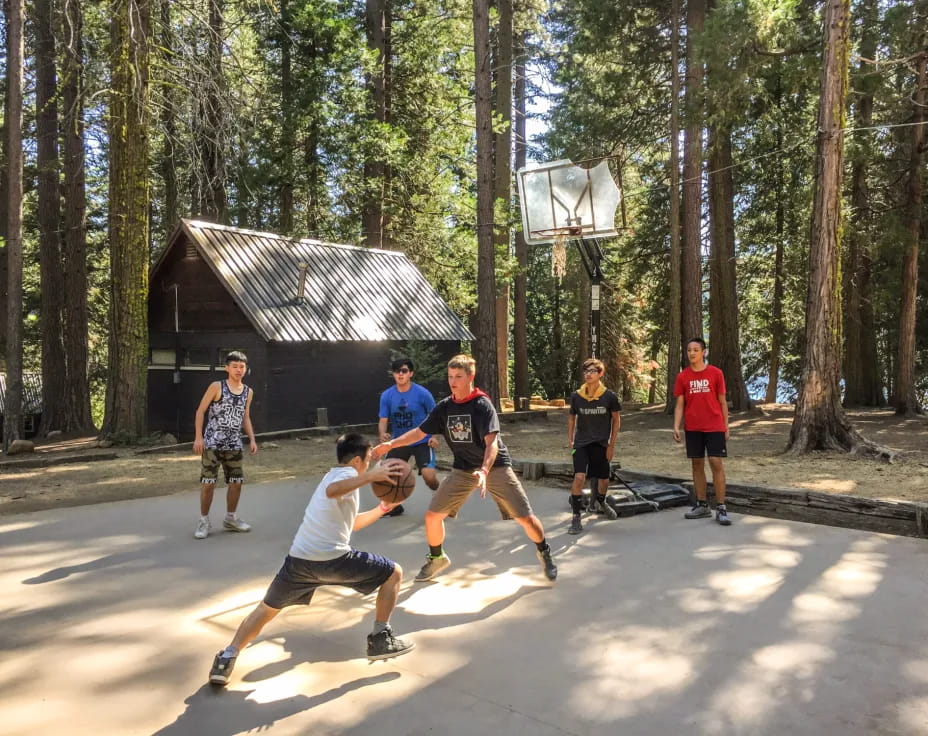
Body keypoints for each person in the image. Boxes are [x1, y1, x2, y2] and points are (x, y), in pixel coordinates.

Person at [208, 434, 413, 686]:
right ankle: (381, 637)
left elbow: (353, 524)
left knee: (266, 609)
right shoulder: (343, 477)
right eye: (369, 459)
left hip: (299, 561)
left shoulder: (336, 476)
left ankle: (227, 656)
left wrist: (384, 508)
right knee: (394, 573)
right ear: (358, 460)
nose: (371, 464)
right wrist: (371, 477)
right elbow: (332, 491)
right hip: (333, 560)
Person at [372, 354, 558, 582]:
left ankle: (544, 551)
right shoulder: (445, 407)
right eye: (450, 376)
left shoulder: (482, 405)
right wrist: (390, 443)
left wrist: (484, 471)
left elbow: (492, 444)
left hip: (495, 467)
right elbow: (420, 432)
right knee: (432, 516)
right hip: (463, 469)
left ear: (470, 376)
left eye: (458, 376)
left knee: (525, 518)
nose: (453, 381)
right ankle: (437, 558)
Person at [193, 351, 258, 540]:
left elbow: (245, 416)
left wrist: (252, 439)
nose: (239, 370)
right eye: (235, 366)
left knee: (236, 482)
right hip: (212, 443)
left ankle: (231, 518)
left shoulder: (248, 391)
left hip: (234, 443)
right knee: (208, 483)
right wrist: (199, 437)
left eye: (242, 367)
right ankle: (204, 520)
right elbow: (200, 411)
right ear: (227, 368)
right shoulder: (217, 386)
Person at [673, 338, 732, 526]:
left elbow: (722, 401)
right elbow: (680, 404)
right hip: (693, 427)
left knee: (715, 462)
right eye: (689, 350)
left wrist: (726, 426)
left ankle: (721, 507)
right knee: (697, 463)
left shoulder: (716, 373)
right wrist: (676, 425)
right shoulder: (683, 376)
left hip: (714, 426)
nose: (692, 353)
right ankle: (702, 504)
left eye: (696, 350)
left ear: (703, 352)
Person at [378, 357, 441, 517]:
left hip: (422, 440)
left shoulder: (422, 394)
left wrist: (434, 436)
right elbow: (383, 420)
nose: (400, 374)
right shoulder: (387, 395)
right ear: (393, 374)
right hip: (399, 441)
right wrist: (383, 434)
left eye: (404, 371)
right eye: (397, 371)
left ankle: (442, 498)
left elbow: (436, 416)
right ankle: (394, 505)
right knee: (387, 473)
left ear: (411, 373)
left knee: (428, 475)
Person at [566, 358, 621, 534]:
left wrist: (611, 445)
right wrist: (571, 439)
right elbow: (572, 417)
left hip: (601, 443)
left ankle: (601, 501)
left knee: (604, 479)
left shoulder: (609, 396)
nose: (588, 374)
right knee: (580, 477)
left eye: (592, 371)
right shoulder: (577, 396)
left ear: (600, 374)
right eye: (586, 371)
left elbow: (616, 420)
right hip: (581, 443)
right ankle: (576, 517)